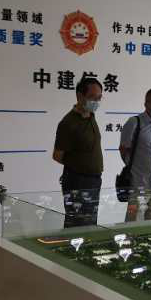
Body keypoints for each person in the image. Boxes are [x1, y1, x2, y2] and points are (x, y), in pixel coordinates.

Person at [53, 77, 104, 228]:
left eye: (99, 98)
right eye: (92, 97)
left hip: (94, 180)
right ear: (79, 96)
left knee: (90, 224)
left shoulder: (90, 116)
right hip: (77, 181)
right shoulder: (68, 123)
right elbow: (57, 155)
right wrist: (79, 165)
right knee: (77, 224)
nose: (96, 101)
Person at [119, 88, 151, 222]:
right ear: (146, 104)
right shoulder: (134, 122)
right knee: (133, 223)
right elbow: (123, 149)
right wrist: (133, 168)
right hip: (138, 185)